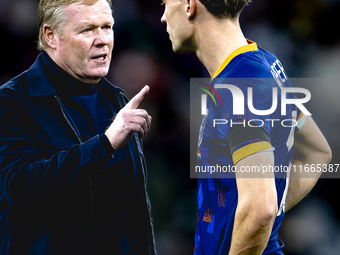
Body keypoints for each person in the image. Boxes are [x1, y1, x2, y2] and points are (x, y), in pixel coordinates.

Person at [161, 0, 332, 254]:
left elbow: (261, 210)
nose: (163, 16)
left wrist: (261, 219)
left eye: (165, 3)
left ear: (189, 5)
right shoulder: (265, 63)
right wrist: (260, 220)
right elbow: (317, 152)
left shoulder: (238, 89)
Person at [0, 0, 156, 254]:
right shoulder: (12, 101)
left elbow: (134, 212)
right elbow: (19, 189)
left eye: (107, 27)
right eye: (87, 30)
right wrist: (104, 144)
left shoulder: (117, 101)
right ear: (51, 36)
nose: (102, 39)